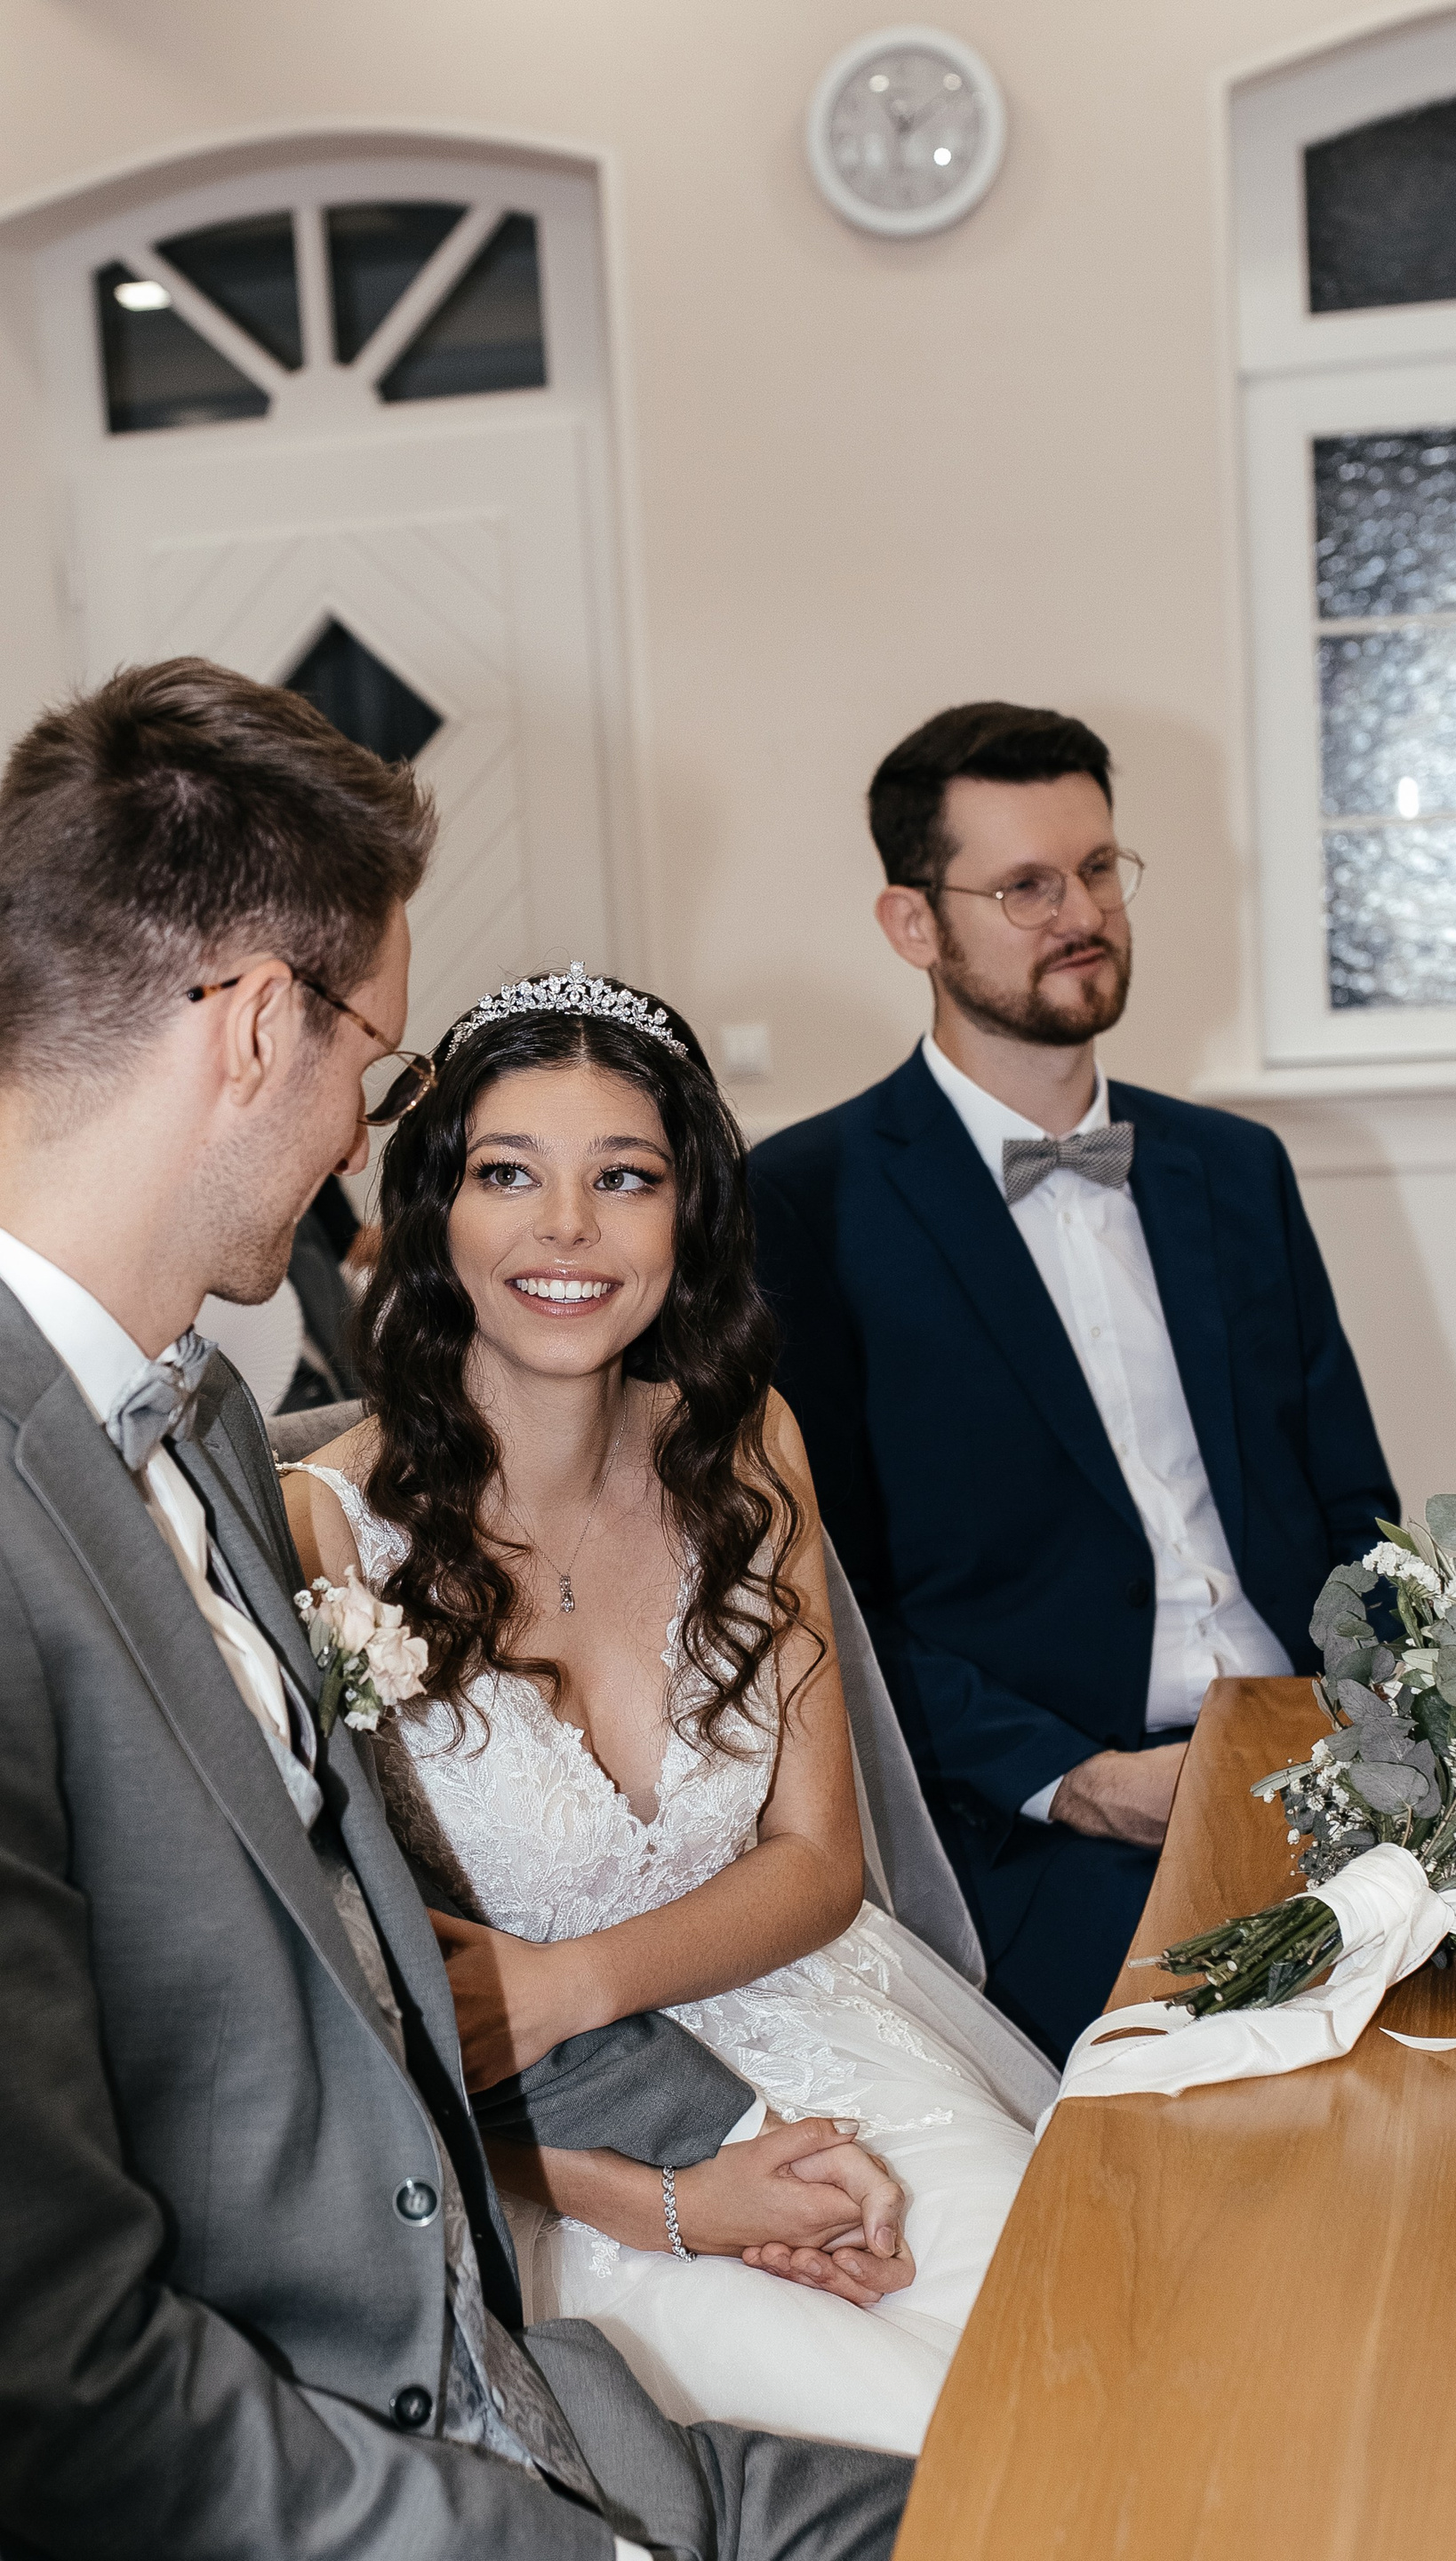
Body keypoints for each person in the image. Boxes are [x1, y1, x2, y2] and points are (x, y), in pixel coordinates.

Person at [0, 659, 910, 2561]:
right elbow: (68, 2391)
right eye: (376, 1062)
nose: (363, 1133)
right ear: (264, 1025)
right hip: (353, 2489)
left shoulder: (200, 1421)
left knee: (1071, 2482)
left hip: (522, 2389)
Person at [284, 964, 1043, 2461]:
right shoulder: (322, 1531)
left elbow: (818, 1862)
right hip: (554, 2156)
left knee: (1074, 2335)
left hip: (818, 2025)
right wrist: (677, 2203)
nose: (568, 1227)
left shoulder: (749, 1447)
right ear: (435, 1210)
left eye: (624, 1177)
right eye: (509, 1173)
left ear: (688, 1212)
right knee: (903, 2448)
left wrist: (565, 1982)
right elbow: (352, 2041)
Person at [747, 701, 1398, 2063]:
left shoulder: (1236, 1169)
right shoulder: (805, 1200)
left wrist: (1406, 1715)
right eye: (1026, 886)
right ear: (912, 923)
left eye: (1100, 869)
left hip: (1320, 1745)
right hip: (1044, 1820)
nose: (1083, 913)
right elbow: (826, 1602)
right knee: (1248, 2090)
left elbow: (1355, 1503)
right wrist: (1082, 1783)